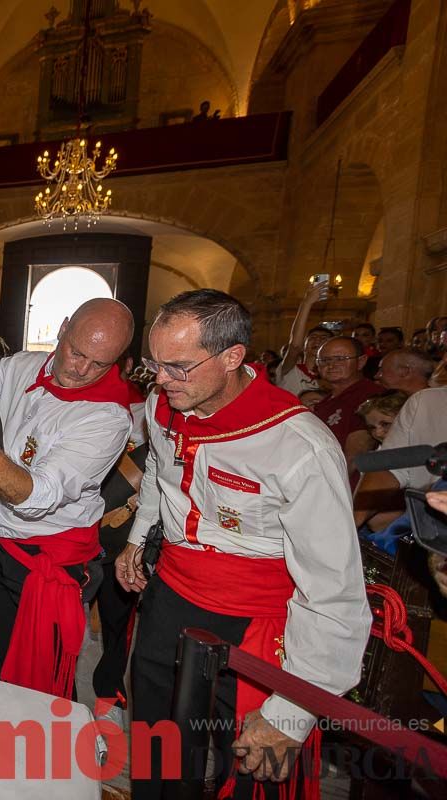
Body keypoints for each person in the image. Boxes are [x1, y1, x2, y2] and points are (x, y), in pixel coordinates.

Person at [115, 289, 370, 800]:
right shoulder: (163, 404)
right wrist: (138, 539)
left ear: (233, 357)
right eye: (155, 363)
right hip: (170, 597)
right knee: (156, 740)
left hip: (256, 623)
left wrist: (292, 712)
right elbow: (160, 480)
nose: (161, 380)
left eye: (179, 366)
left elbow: (334, 592)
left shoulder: (299, 447)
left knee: (254, 760)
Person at [0, 297, 136, 699]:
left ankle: (36, 758)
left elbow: (38, 495)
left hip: (48, 561)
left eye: (99, 363)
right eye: (76, 351)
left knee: (38, 687)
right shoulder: (27, 365)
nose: (80, 368)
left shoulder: (108, 417)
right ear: (63, 327)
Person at [354, 384, 447, 530]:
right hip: (424, 535)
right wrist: (350, 522)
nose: (378, 432)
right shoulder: (425, 401)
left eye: (385, 424)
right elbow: (389, 468)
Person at [311, 336, 384, 485]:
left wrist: (325, 489)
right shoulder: (326, 401)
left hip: (345, 488)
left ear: (361, 361)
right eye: (324, 360)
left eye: (340, 358)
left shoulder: (370, 396)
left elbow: (354, 457)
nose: (331, 365)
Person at [275, 279, 330, 396]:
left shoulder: (333, 377)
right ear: (304, 345)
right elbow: (294, 346)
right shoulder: (290, 370)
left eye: (324, 338)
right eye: (313, 337)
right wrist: (306, 303)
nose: (318, 340)